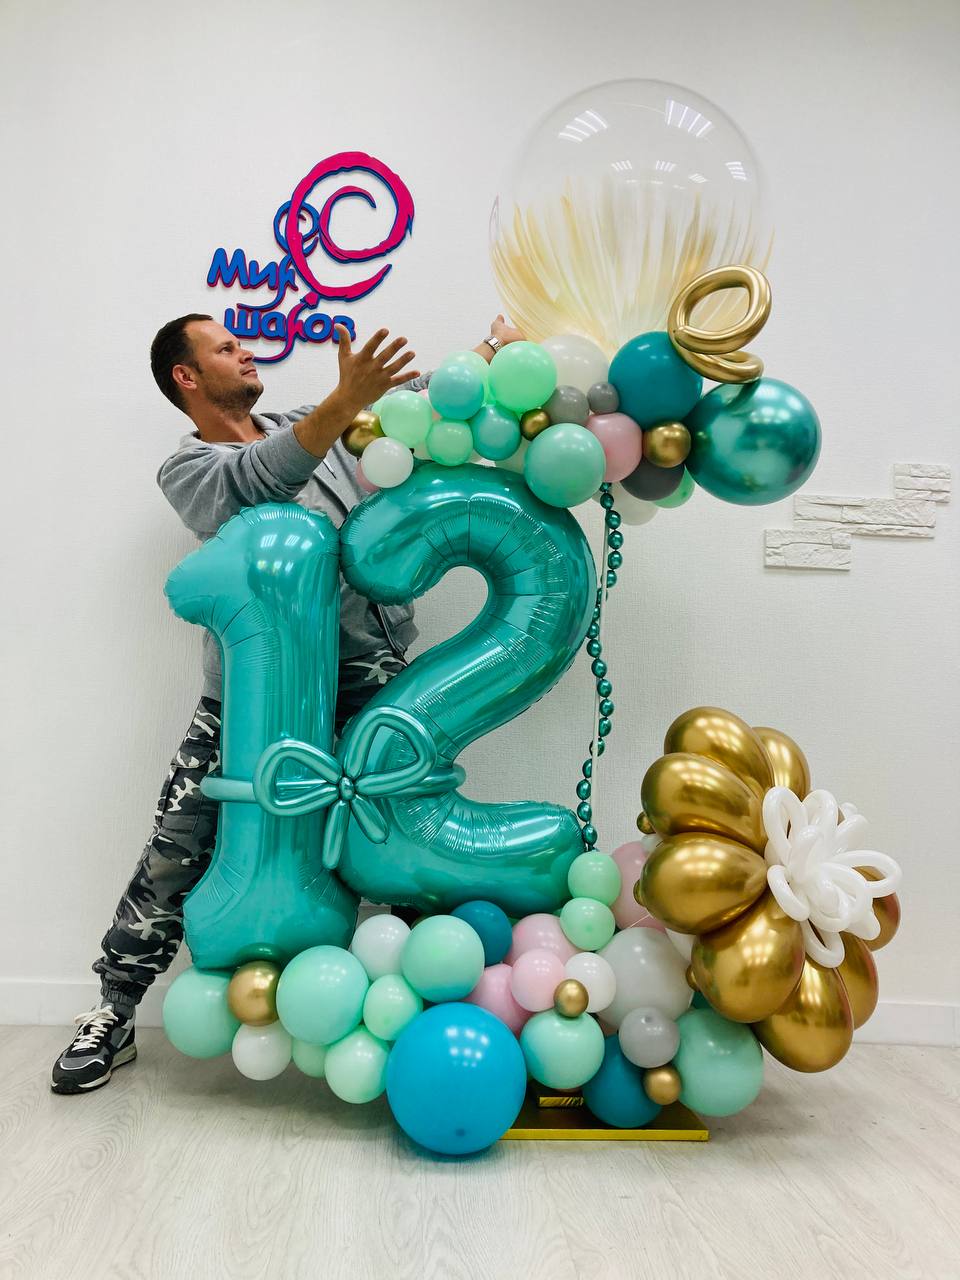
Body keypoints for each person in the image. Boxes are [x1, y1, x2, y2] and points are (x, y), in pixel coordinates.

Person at [52, 311, 523, 1094]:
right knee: (178, 844)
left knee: (404, 836)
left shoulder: (318, 423)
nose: (246, 352)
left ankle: (442, 1011)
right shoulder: (191, 469)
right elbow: (258, 481)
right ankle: (113, 1009)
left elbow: (416, 405)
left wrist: (493, 348)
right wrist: (344, 404)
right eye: (225, 347)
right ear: (187, 377)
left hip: (368, 673)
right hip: (248, 696)